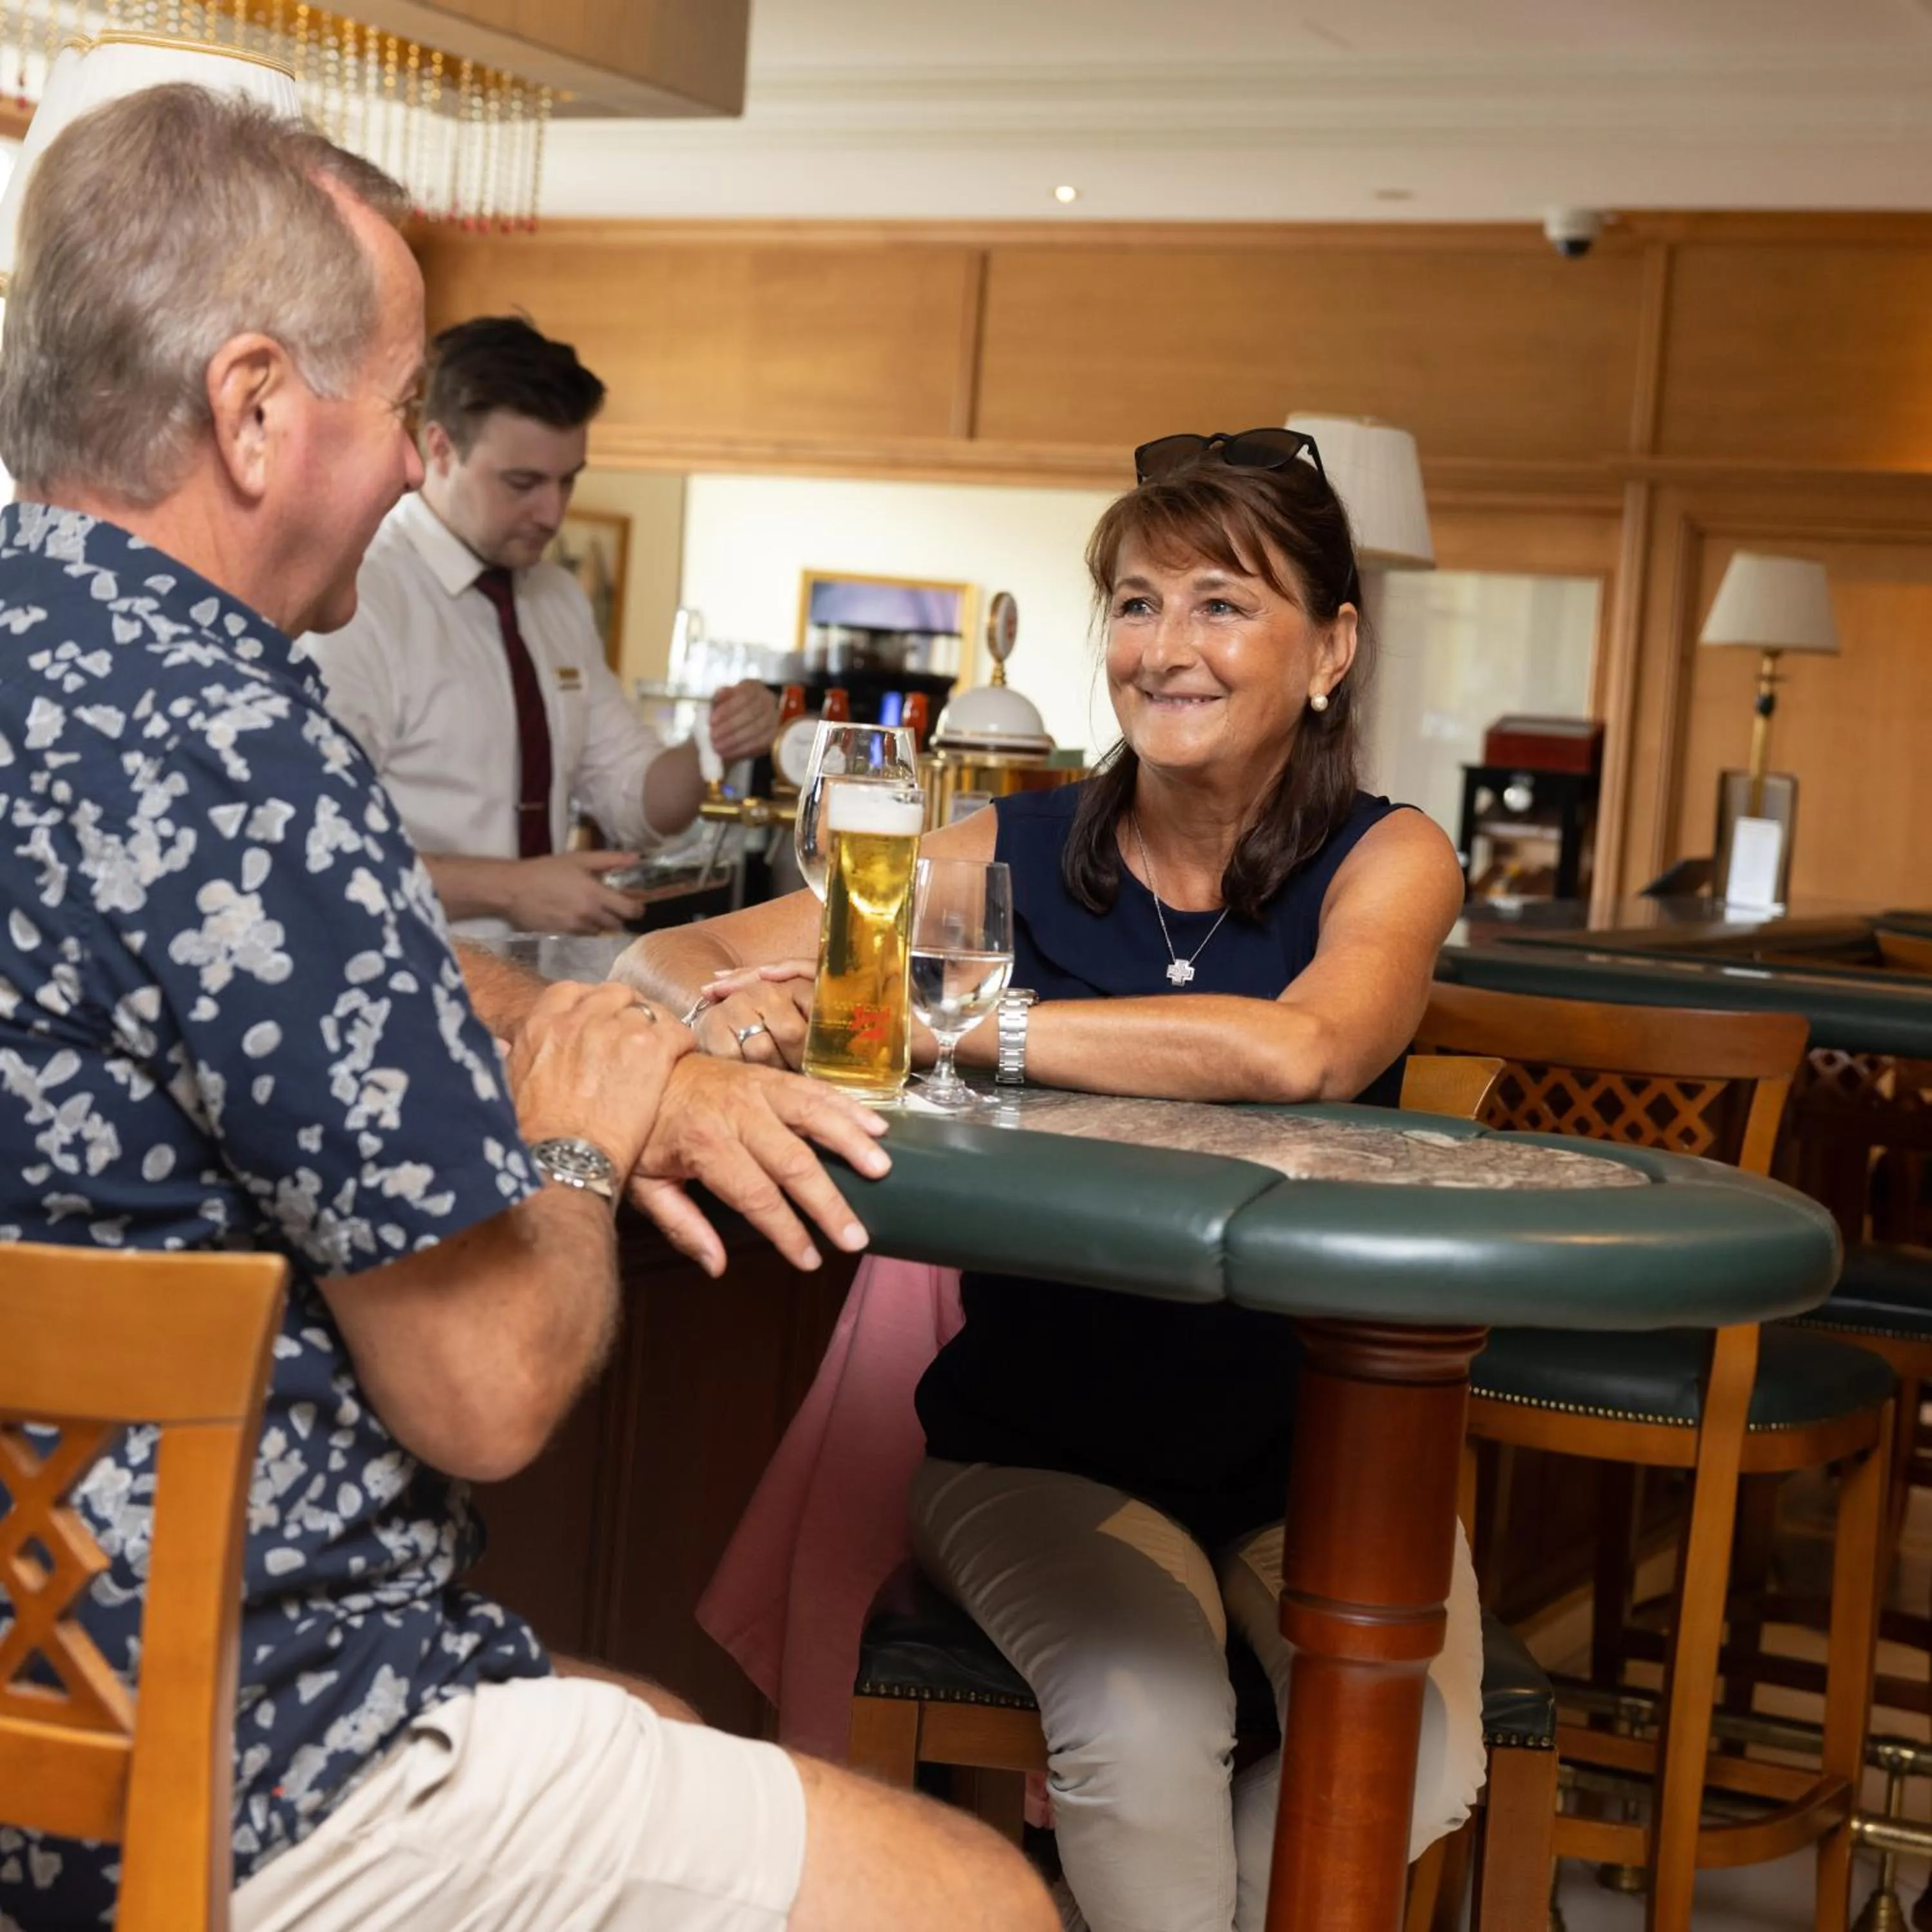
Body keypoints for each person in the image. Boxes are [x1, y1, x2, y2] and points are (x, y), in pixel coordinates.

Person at [0, 84, 1054, 1932]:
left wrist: (531, 1014)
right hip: (208, 1754)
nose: (417, 470)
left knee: (631, 1708)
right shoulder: (240, 745)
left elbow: (245, 972)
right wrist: (578, 1117)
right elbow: (483, 1393)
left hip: (36, 1688)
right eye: (399, 413)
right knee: (980, 1900)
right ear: (253, 410)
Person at [614, 431, 1485, 1932]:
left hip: (1326, 1454)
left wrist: (965, 1025)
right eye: (1136, 604)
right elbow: (671, 953)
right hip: (1037, 1453)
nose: (1166, 648)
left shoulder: (1386, 857)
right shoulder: (999, 850)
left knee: (1419, 1750)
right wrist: (731, 1017)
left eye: (1222, 602)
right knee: (1146, 1733)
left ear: (1330, 646)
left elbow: (1304, 1052)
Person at [305, 314, 779, 938]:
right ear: (440, 448)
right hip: (400, 981)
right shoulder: (358, 595)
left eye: (568, 480)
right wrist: (507, 891)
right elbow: (317, 846)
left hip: (539, 990)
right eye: (523, 483)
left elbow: (633, 801)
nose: (552, 512)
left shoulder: (557, 599)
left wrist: (714, 744)